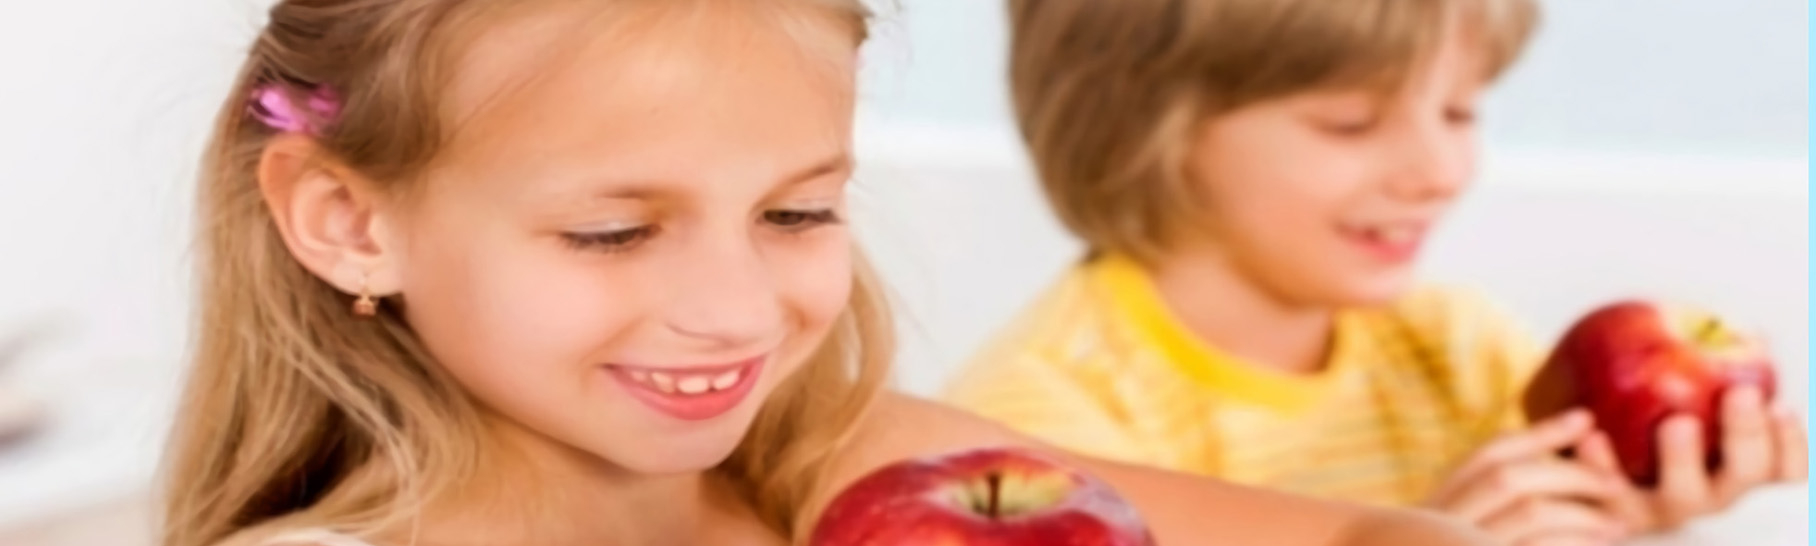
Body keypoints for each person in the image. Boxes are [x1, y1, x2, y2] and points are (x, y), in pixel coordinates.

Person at [157, 1, 1490, 545]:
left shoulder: (849, 461)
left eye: (798, 212)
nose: (739, 308)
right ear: (345, 218)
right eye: (613, 233)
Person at [941, 0, 1808, 544]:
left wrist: (1638, 523)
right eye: (1351, 123)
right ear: (1145, 130)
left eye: (1460, 110)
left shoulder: (1458, 347)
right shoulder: (1043, 428)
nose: (1438, 169)